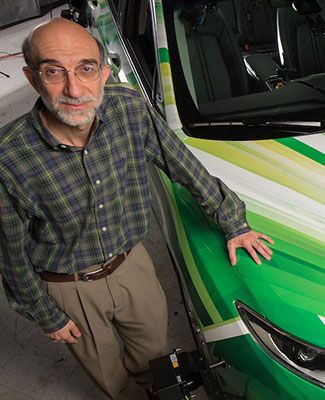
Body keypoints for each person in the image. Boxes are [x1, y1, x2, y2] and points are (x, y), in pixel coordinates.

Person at [0, 17, 273, 400]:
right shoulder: (8, 156)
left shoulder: (131, 110)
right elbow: (10, 254)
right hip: (68, 286)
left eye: (86, 68)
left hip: (133, 265)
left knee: (155, 358)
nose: (74, 88)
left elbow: (185, 168)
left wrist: (233, 221)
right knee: (108, 373)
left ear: (104, 72)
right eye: (53, 72)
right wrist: (46, 314)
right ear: (32, 78)